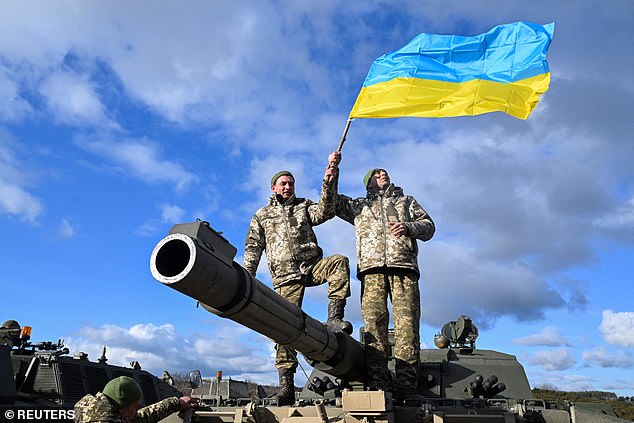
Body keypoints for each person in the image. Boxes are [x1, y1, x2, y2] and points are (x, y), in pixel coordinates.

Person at [243, 155, 352, 406]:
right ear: (273, 188)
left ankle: (334, 317)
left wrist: (329, 180)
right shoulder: (262, 215)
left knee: (339, 262)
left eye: (291, 183)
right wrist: (247, 275)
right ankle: (286, 386)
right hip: (285, 277)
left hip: (310, 266)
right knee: (284, 328)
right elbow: (253, 246)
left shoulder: (303, 206)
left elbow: (326, 209)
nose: (287, 187)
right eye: (283, 183)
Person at [333, 155, 435, 400]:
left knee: (407, 329)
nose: (383, 175)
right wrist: (332, 174)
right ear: (369, 183)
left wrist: (409, 227)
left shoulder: (406, 201)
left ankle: (407, 388)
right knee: (374, 330)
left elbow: (429, 226)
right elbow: (332, 203)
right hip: (371, 271)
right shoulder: (359, 206)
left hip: (404, 269)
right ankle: (379, 387)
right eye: (377, 174)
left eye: (385, 173)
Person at [73, 375, 197, 423]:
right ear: (123, 406)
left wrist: (176, 403)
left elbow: (141, 417)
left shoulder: (101, 413)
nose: (139, 408)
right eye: (136, 405)